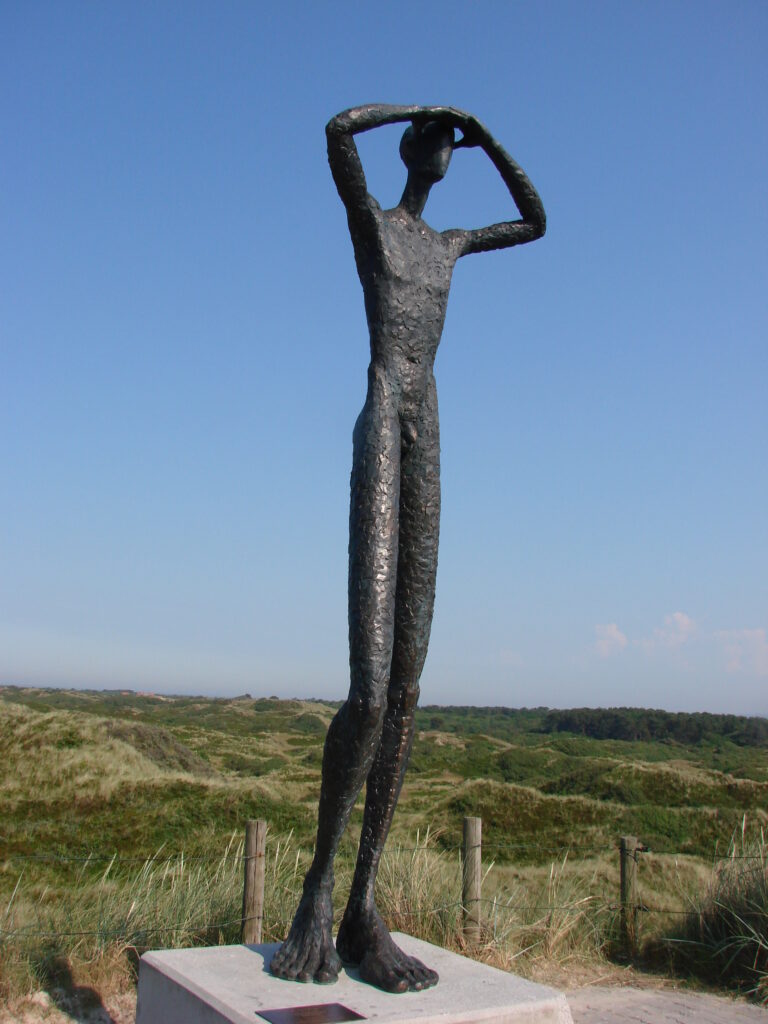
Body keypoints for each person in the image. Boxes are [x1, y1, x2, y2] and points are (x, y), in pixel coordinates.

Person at [270, 104, 545, 993]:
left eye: (447, 142)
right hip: (383, 414)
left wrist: (485, 134)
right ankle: (317, 893)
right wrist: (426, 106)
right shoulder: (375, 224)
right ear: (410, 147)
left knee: (411, 684)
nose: (442, 147)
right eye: (433, 139)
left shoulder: (454, 243)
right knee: (370, 683)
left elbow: (536, 221)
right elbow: (336, 131)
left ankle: (363, 905)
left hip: (431, 424)